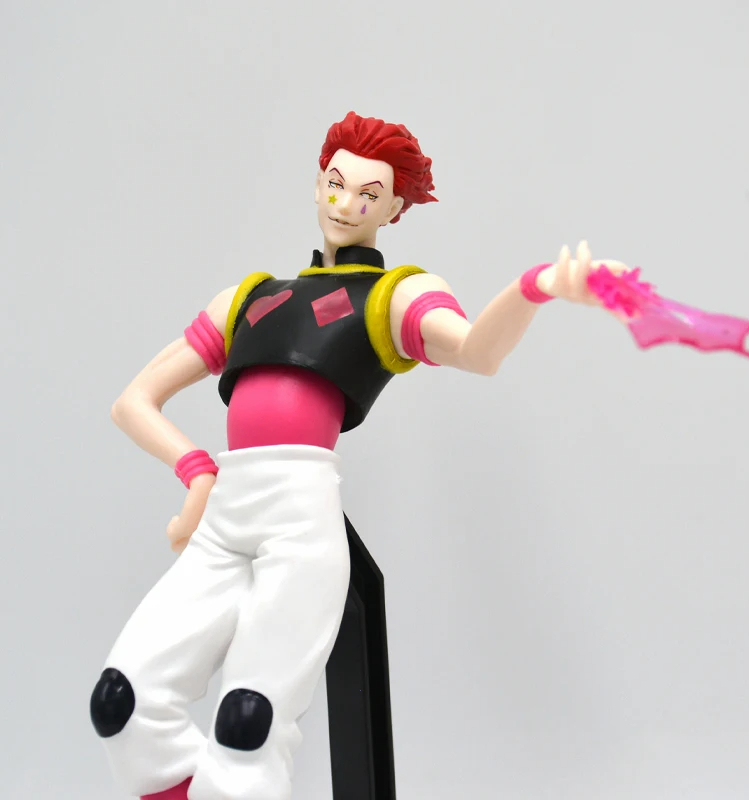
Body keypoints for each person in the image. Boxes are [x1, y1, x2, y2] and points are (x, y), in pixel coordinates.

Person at [89, 111, 628, 800]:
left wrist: (535, 289)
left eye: (369, 195)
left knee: (247, 725)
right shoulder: (249, 299)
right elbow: (133, 401)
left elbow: (476, 352)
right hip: (225, 516)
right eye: (337, 185)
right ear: (318, 184)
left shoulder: (393, 295)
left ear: (396, 208)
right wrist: (196, 470)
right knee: (122, 702)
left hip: (297, 517)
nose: (347, 205)